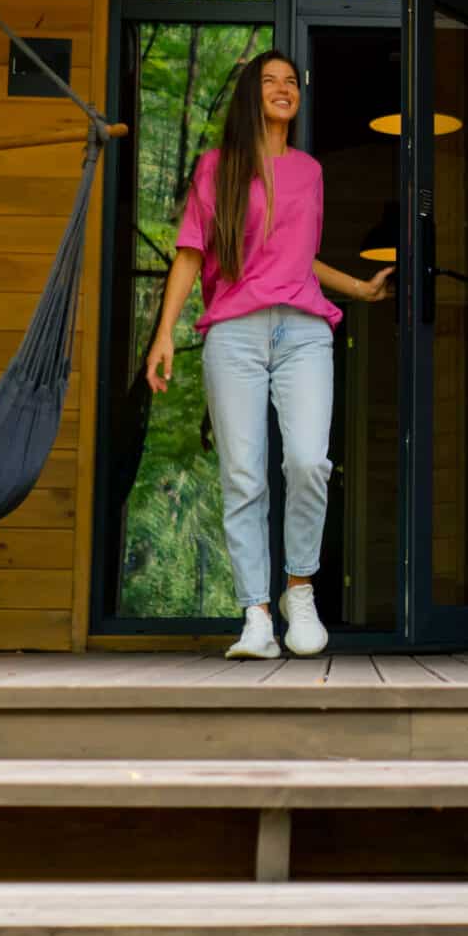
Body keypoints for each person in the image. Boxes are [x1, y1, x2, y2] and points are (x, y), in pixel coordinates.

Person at [145, 51, 391, 659]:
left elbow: (296, 256)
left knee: (309, 461)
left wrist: (357, 288)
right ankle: (256, 613)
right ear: (251, 98)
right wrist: (162, 334)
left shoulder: (309, 171)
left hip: (305, 331)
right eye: (269, 81)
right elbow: (191, 255)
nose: (282, 89)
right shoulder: (217, 169)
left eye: (291, 82)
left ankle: (298, 590)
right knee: (244, 475)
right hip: (235, 334)